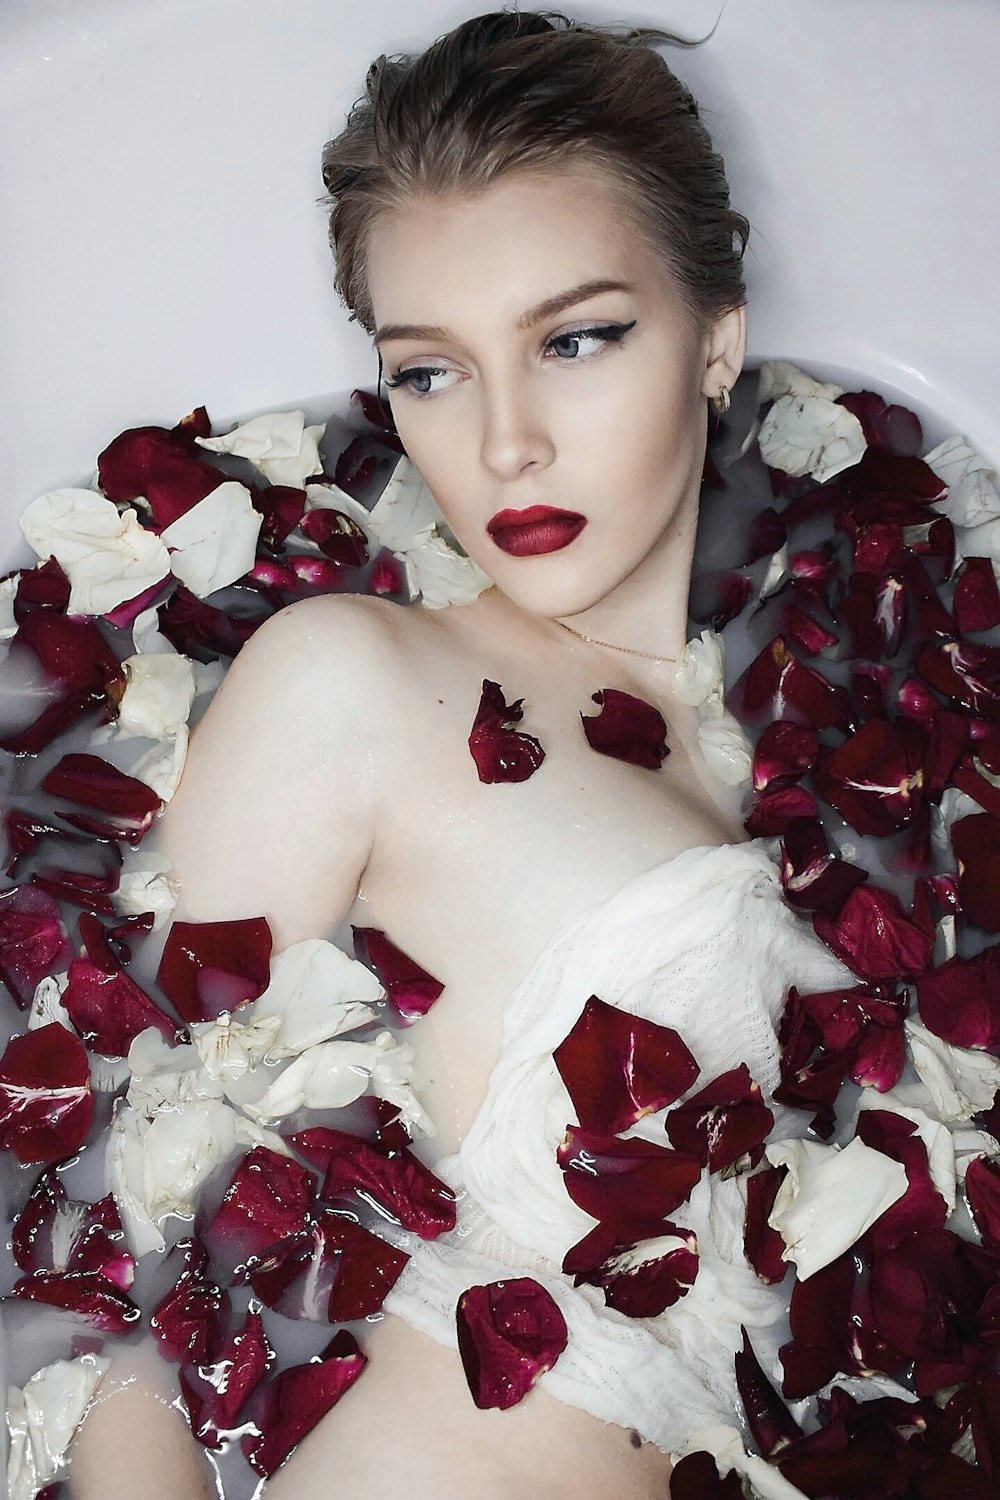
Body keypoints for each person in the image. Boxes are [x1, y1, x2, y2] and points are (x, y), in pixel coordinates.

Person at [67, 9, 855, 1497]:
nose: (504, 446)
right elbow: (118, 1227)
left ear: (716, 342)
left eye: (576, 340)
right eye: (430, 371)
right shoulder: (358, 682)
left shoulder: (820, 694)